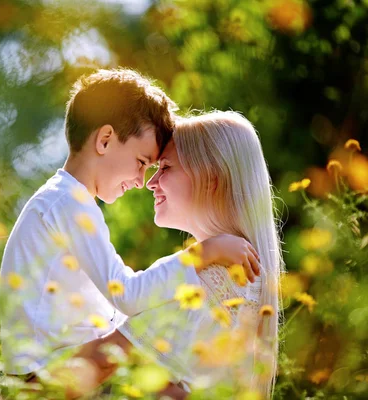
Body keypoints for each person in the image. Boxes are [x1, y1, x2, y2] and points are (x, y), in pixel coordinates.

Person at [0, 69, 262, 397]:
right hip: (45, 375)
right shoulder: (68, 203)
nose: (141, 181)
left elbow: (115, 307)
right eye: (141, 162)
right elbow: (127, 293)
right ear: (105, 139)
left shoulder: (64, 201)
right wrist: (204, 254)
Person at [117, 111, 284, 399]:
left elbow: (107, 361)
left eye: (166, 167)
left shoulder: (216, 276)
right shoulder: (239, 271)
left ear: (212, 177)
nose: (150, 182)